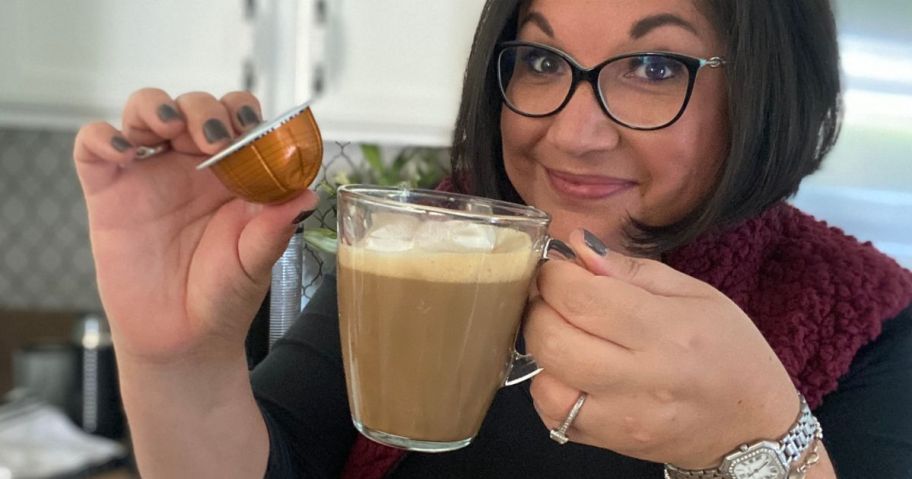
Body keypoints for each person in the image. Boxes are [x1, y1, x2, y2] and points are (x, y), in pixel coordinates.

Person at [73, 0, 912, 478]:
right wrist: (174, 362)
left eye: (656, 68)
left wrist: (768, 444)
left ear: (769, 89)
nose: (574, 135)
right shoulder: (429, 242)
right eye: (541, 63)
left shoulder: (867, 323)